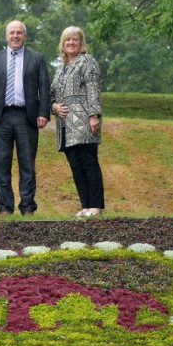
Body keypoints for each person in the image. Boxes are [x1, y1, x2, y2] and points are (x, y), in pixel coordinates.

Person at [0, 20, 50, 216]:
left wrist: (43, 113)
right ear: (6, 36)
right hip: (0, 118)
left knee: (27, 164)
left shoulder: (36, 58)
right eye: (12, 32)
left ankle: (28, 207)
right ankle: (4, 208)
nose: (15, 36)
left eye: (19, 33)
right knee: (1, 164)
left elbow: (44, 88)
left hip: (26, 117)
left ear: (25, 36)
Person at [50, 26, 104, 218]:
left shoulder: (86, 61)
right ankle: (85, 205)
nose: (71, 43)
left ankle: (95, 205)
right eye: (67, 40)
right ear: (62, 44)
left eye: (75, 40)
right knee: (76, 167)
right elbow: (52, 95)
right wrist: (54, 107)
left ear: (82, 43)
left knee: (89, 163)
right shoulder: (61, 68)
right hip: (65, 126)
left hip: (84, 122)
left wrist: (94, 115)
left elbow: (93, 89)